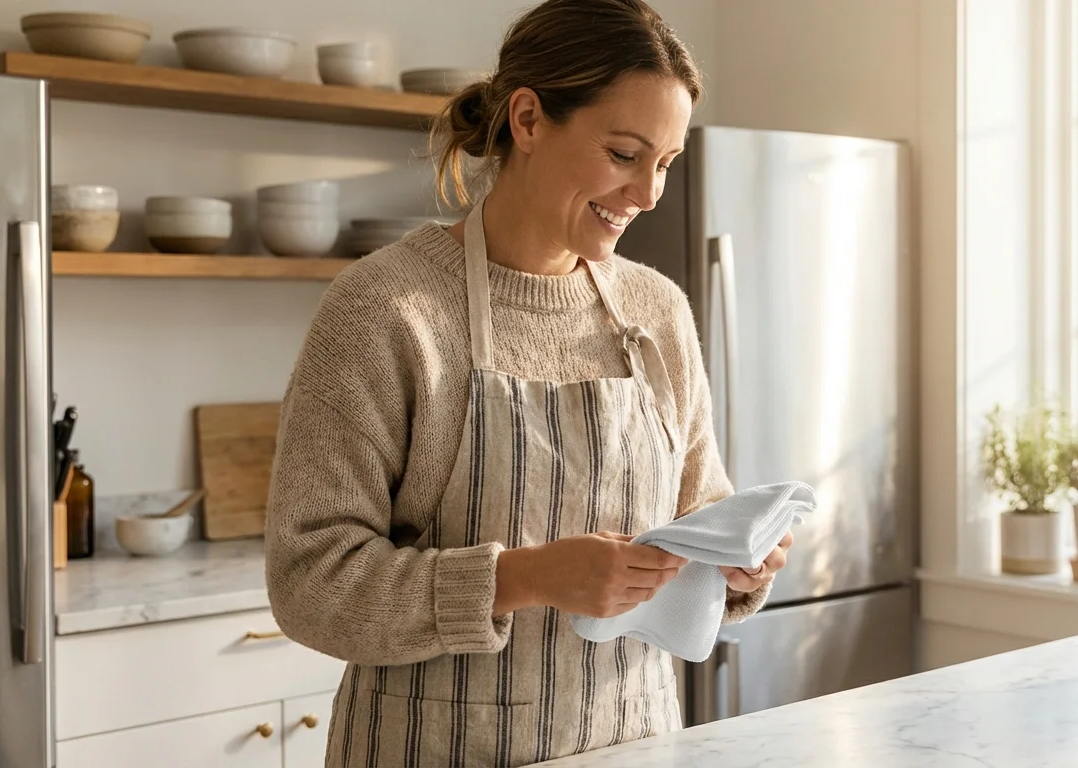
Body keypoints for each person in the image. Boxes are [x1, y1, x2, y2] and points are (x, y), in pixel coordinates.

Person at [264, 1, 794, 765]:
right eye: (622, 153)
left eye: (666, 164)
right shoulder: (387, 309)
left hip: (632, 743)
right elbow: (310, 584)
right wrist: (523, 577)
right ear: (529, 120)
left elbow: (697, 504)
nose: (647, 194)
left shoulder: (656, 311)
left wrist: (737, 559)